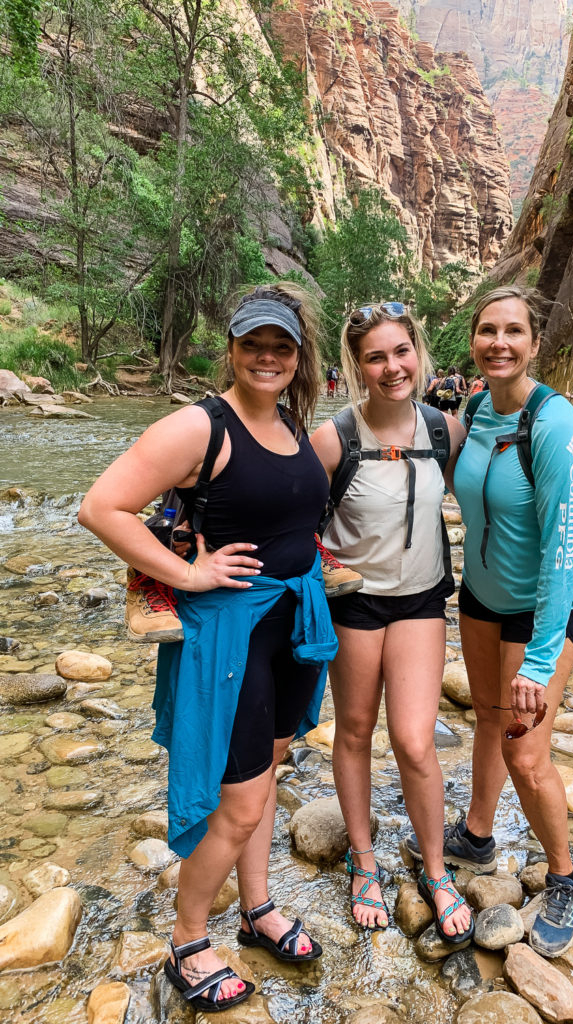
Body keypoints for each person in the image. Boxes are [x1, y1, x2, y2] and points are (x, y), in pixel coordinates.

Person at [78, 283, 337, 1012]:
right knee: (242, 801)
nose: (266, 356)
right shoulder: (200, 427)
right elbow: (101, 506)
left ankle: (256, 911)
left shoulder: (290, 422)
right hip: (232, 635)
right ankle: (187, 942)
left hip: (291, 624)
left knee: (265, 781)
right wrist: (189, 572)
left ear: (296, 356)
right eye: (253, 342)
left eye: (280, 345)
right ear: (230, 347)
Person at [410, 285, 573, 958]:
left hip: (547, 604)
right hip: (482, 596)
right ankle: (477, 835)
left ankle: (565, 876)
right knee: (486, 716)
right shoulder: (475, 409)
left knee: (525, 750)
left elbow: (558, 549)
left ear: (534, 343)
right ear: (474, 341)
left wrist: (543, 661)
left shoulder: (556, 427)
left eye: (512, 331)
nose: (498, 342)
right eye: (487, 330)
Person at [310, 302, 474, 944]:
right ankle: (364, 857)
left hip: (420, 600)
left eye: (400, 351)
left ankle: (435, 869)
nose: (392, 366)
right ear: (357, 366)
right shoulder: (334, 439)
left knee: (413, 739)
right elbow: (288, 510)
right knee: (352, 730)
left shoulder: (446, 430)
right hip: (353, 602)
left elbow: (486, 495)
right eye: (375, 356)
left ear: (418, 352)